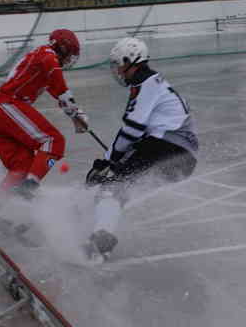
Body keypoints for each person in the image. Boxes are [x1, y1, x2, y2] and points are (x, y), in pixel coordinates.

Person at [84, 37, 198, 261]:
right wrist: (110, 159)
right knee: (120, 186)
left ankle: (100, 242)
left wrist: (109, 162)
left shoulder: (146, 86)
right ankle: (102, 234)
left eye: (119, 65)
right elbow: (134, 132)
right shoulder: (152, 83)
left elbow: (132, 130)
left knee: (112, 187)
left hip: (168, 148)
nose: (117, 71)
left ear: (131, 62)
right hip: (179, 153)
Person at [0, 29, 89, 231]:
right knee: (54, 141)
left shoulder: (46, 64)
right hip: (6, 105)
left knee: (22, 166)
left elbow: (58, 93)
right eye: (69, 53)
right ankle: (29, 188)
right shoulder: (46, 55)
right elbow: (59, 83)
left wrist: (75, 116)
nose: (69, 59)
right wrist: (75, 110)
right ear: (61, 47)